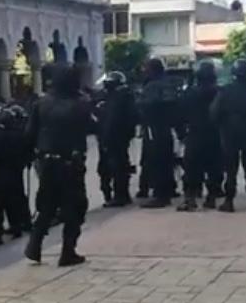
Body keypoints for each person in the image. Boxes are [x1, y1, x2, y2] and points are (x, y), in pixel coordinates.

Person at [24, 64, 94, 266]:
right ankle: (67, 251)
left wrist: (30, 155)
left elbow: (29, 133)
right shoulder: (81, 103)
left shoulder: (41, 103)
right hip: (70, 162)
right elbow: (90, 127)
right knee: (75, 206)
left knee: (46, 205)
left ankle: (34, 245)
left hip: (46, 161)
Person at [211, 57, 246, 212]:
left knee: (231, 168)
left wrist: (219, 125)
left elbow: (214, 112)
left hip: (229, 132)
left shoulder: (225, 91)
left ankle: (229, 200)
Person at [176, 61, 221, 212]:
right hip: (215, 134)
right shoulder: (219, 92)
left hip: (195, 134)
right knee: (214, 167)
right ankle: (212, 197)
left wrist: (181, 134)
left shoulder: (189, 93)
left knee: (191, 168)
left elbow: (180, 115)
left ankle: (190, 198)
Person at [0, 104, 33, 244]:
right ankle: (17, 226)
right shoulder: (19, 134)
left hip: (1, 172)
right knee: (15, 200)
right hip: (16, 172)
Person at [137, 58, 181, 208]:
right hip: (167, 128)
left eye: (146, 69)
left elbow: (145, 107)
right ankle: (169, 189)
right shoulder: (170, 83)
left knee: (156, 160)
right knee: (167, 159)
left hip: (154, 127)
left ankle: (160, 195)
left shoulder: (152, 86)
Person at [95, 71, 138, 207]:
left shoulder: (118, 99)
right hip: (118, 138)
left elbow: (111, 121)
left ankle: (119, 196)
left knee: (115, 167)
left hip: (113, 138)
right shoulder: (119, 97)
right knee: (118, 166)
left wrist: (106, 138)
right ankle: (119, 194)